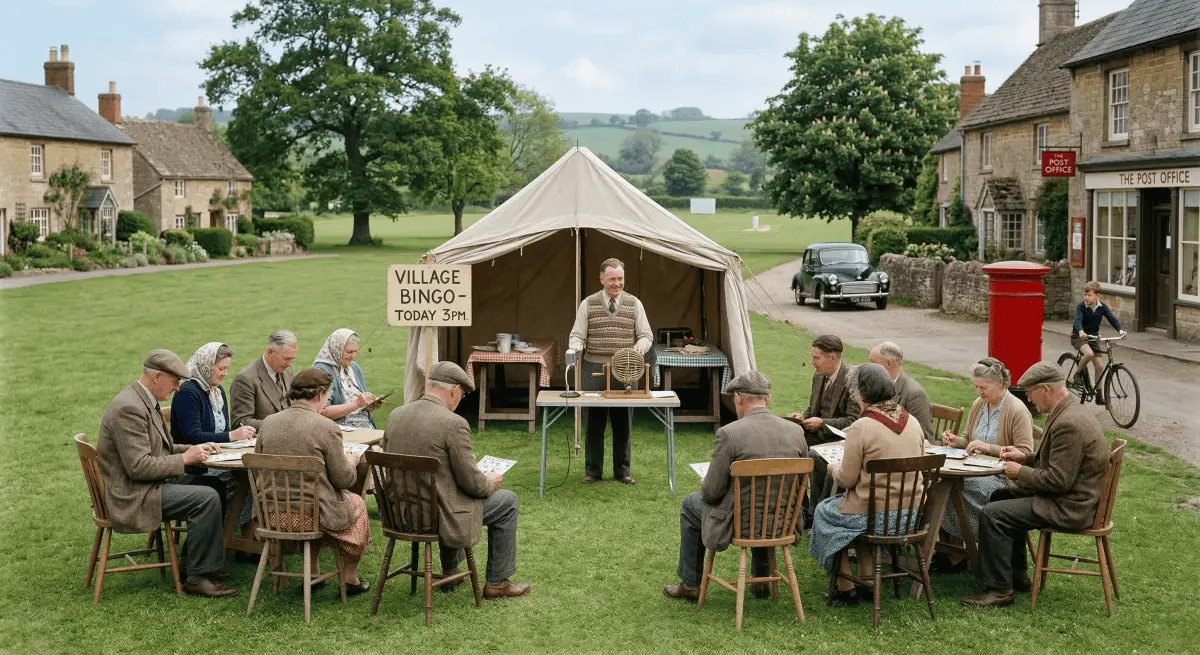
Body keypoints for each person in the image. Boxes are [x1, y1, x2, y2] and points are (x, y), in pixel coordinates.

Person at [961, 361, 1109, 608]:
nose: (1029, 398)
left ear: (1047, 390)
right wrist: (1025, 457)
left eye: (1031, 392)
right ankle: (1017, 575)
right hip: (1073, 497)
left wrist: (1021, 471)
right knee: (1000, 496)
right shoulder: (1069, 411)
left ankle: (999, 590)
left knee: (993, 514)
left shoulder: (1068, 424)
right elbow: (1055, 461)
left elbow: (1058, 481)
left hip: (1070, 506)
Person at [384, 361, 530, 599]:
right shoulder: (453, 424)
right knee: (506, 501)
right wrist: (489, 481)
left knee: (444, 490)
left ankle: (451, 570)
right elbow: (472, 484)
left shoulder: (395, 415)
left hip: (400, 515)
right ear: (452, 390)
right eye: (461, 395)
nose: (459, 401)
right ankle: (497, 582)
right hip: (435, 517)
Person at [98, 349, 235, 598]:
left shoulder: (145, 401)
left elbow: (165, 447)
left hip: (149, 484)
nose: (177, 389)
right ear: (157, 376)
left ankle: (195, 564)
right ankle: (197, 578)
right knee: (206, 497)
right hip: (135, 494)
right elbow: (139, 467)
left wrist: (193, 448)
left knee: (216, 486)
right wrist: (184, 459)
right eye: (174, 383)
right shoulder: (129, 408)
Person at [663, 371, 808, 603]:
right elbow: (800, 483)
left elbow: (711, 493)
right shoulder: (796, 431)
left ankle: (691, 584)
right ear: (768, 399)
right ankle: (761, 580)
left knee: (691, 504)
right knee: (763, 499)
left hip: (742, 522)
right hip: (782, 521)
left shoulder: (729, 434)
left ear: (738, 399)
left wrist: (705, 482)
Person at [808, 364, 926, 606]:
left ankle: (845, 587)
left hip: (875, 516)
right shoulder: (912, 421)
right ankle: (868, 580)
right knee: (862, 513)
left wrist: (833, 468)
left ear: (861, 393)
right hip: (910, 516)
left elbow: (847, 479)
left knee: (824, 511)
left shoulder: (862, 426)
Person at [254, 368, 372, 596]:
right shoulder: (326, 427)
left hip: (272, 515)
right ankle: (349, 578)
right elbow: (343, 479)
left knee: (315, 499)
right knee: (355, 502)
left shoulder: (268, 423)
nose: (327, 401)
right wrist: (351, 460)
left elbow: (260, 466)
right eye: (328, 396)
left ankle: (314, 573)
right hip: (311, 517)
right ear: (319, 395)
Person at [568, 257, 654, 486]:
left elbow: (646, 334)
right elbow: (577, 335)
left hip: (626, 370)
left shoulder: (635, 303)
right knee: (594, 422)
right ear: (602, 279)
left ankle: (622, 472)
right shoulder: (587, 304)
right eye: (612, 279)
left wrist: (640, 347)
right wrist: (575, 347)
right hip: (594, 369)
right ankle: (593, 471)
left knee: (623, 422)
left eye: (620, 279)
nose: (617, 283)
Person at [938, 358, 1035, 553]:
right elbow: (968, 439)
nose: (979, 392)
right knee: (940, 484)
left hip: (1002, 479)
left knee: (953, 489)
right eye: (976, 386)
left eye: (984, 387)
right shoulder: (979, 404)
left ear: (1001, 383)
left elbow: (1025, 453)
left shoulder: (1016, 409)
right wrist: (956, 441)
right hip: (975, 470)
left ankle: (971, 544)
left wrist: (990, 448)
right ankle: (952, 549)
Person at [171, 342, 258, 533]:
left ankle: (233, 537)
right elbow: (191, 435)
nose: (225, 373)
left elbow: (221, 430)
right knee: (246, 484)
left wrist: (237, 438)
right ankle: (221, 536)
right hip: (194, 465)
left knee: (254, 480)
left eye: (227, 368)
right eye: (221, 368)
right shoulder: (188, 393)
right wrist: (231, 436)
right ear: (207, 366)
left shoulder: (217, 391)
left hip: (215, 458)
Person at [789, 334, 860, 517]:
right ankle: (800, 508)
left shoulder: (851, 379)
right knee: (785, 445)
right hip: (816, 434)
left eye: (816, 357)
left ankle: (815, 513)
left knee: (813, 456)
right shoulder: (819, 376)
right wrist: (803, 416)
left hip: (837, 439)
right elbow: (813, 408)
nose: (812, 362)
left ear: (833, 357)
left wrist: (823, 423)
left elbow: (853, 421)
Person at [313, 328, 381, 429]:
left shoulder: (354, 368)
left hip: (364, 425)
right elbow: (322, 412)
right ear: (337, 349)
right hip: (340, 430)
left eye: (355, 351)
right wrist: (357, 404)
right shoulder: (322, 371)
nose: (352, 356)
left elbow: (359, 403)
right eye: (349, 352)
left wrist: (368, 405)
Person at [1072, 281, 1127, 405]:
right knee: (1089, 354)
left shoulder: (1102, 307)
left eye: (1089, 295)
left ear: (1097, 295)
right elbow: (1078, 320)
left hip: (1093, 337)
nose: (1086, 297)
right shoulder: (1081, 306)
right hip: (1079, 337)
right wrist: (1080, 331)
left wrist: (1121, 330)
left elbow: (1112, 318)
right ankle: (1077, 374)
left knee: (1100, 366)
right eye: (1085, 295)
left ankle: (1099, 395)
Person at [230, 330, 297, 430]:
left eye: (292, 359)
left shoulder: (287, 371)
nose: (290, 364)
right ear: (270, 352)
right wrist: (279, 425)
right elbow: (241, 422)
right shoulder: (246, 379)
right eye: (286, 358)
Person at [869, 341, 933, 442]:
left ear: (889, 363)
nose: (869, 367)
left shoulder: (915, 394)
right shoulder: (876, 385)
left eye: (873, 363)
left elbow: (924, 437)